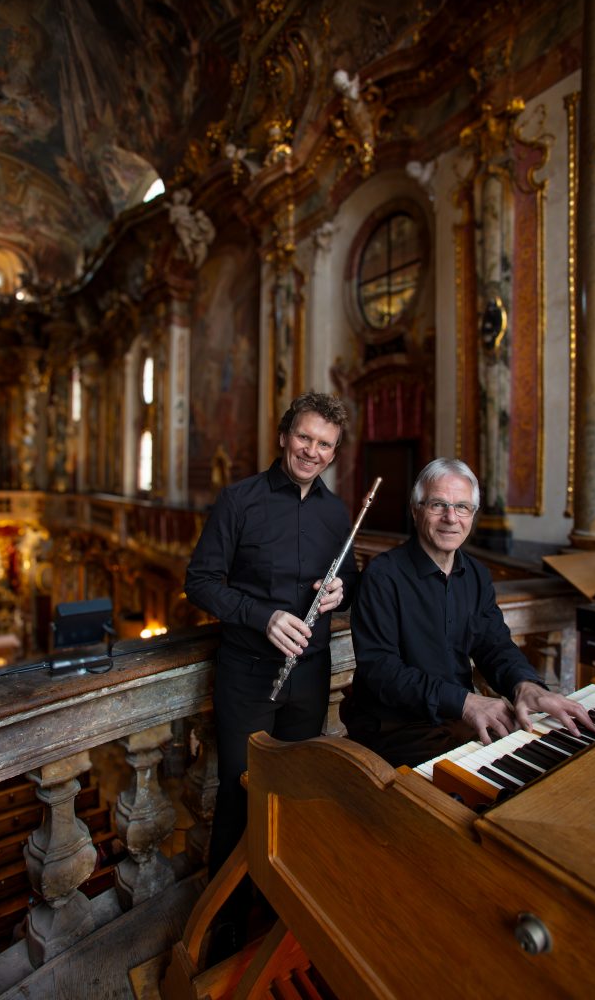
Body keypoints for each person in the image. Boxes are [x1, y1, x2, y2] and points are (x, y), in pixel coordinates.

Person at [185, 390, 358, 955]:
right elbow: (202, 582)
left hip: (310, 676)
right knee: (240, 798)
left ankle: (282, 906)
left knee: (297, 795)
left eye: (324, 445)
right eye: (304, 438)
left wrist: (341, 590)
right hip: (248, 675)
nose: (312, 451)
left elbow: (350, 580)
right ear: (284, 436)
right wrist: (264, 617)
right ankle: (227, 924)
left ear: (334, 454)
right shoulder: (239, 501)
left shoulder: (337, 513)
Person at [344, 457, 595, 769]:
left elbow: (495, 645)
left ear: (472, 515)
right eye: (438, 505)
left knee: (549, 758)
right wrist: (464, 701)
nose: (451, 518)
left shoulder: (477, 575)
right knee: (485, 793)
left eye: (462, 507)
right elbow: (380, 672)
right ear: (416, 510)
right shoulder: (382, 575)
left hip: (458, 717)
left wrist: (525, 684)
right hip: (395, 730)